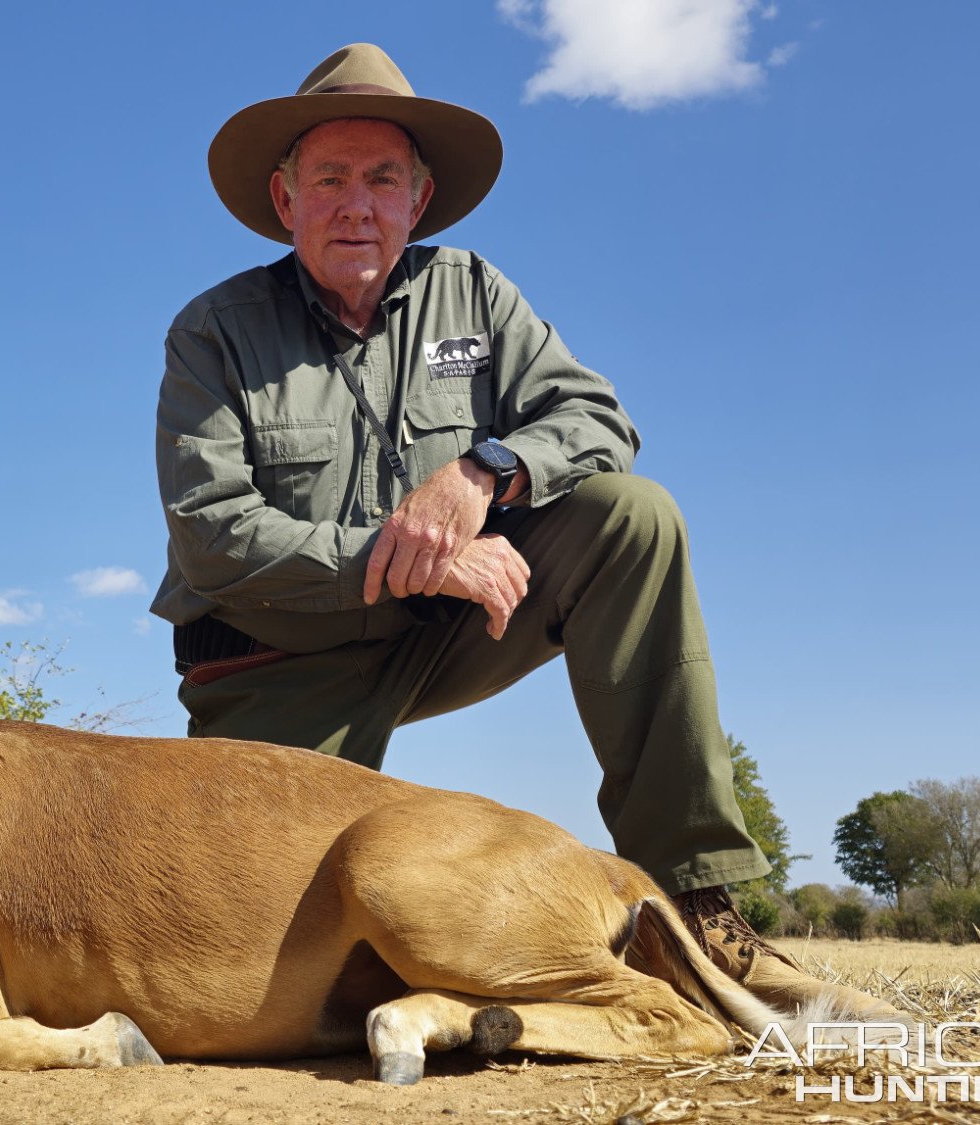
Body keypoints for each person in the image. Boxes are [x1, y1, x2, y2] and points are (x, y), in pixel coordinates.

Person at [151, 42, 823, 1010]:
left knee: (631, 520)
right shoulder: (211, 334)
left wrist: (482, 472)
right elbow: (211, 537)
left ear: (416, 201)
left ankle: (692, 915)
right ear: (284, 197)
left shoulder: (472, 294)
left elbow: (598, 421)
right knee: (243, 969)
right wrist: (404, 559)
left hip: (445, 636)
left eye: (381, 178)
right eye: (329, 178)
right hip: (275, 663)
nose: (356, 205)